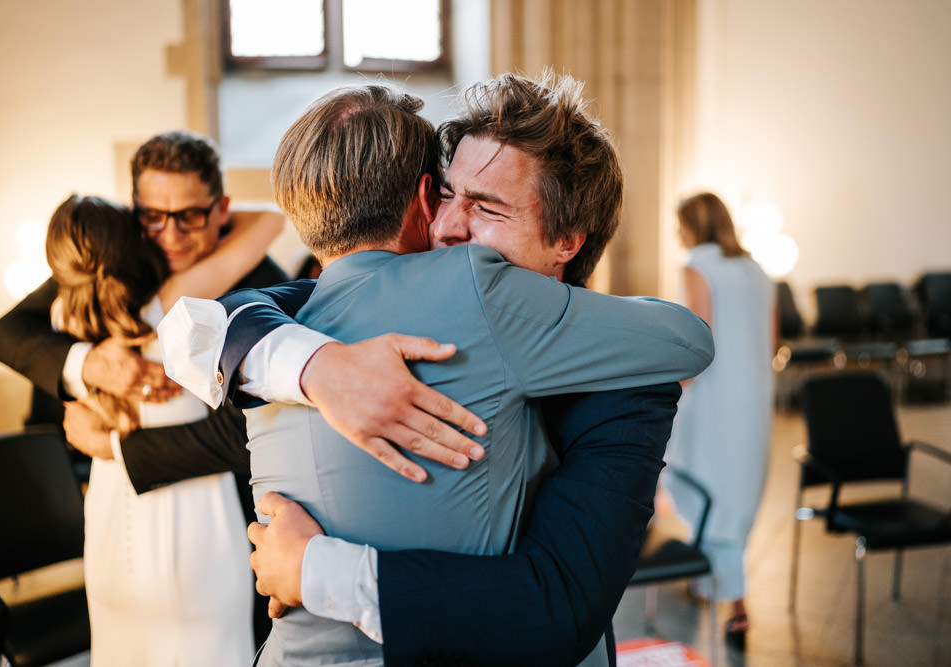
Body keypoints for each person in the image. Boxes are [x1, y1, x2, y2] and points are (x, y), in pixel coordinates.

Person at [161, 76, 714, 666]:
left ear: (566, 241)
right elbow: (203, 326)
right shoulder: (316, 323)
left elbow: (556, 610)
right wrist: (318, 365)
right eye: (448, 194)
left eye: (488, 207)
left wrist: (315, 568)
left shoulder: (629, 387)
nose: (449, 225)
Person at [0, 130, 298, 647]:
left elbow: (248, 435)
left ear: (221, 208)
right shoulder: (111, 269)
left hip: (237, 529)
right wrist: (88, 363)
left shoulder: (262, 282)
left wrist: (112, 446)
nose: (171, 235)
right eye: (154, 216)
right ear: (134, 212)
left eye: (189, 216)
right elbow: (9, 334)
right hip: (120, 526)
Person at [44, 192, 280, 665]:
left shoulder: (63, 324)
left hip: (112, 528)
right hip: (194, 532)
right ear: (133, 245)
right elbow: (270, 222)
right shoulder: (170, 310)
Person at [663, 192, 776, 648]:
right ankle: (712, 582)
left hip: (712, 402)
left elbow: (697, 345)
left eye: (679, 225)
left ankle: (736, 606)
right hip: (751, 403)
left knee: (706, 489)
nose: (677, 234)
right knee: (734, 497)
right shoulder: (758, 271)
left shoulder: (698, 266)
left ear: (693, 226)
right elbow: (771, 343)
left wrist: (667, 384)